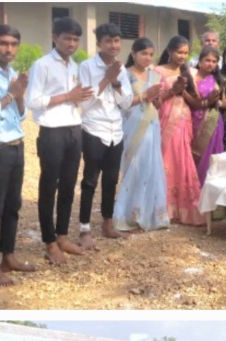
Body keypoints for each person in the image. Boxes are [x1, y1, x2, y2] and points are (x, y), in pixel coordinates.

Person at [26, 17, 94, 265]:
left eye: (76, 39)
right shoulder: (42, 65)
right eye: (67, 38)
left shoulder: (75, 67)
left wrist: (79, 97)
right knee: (49, 186)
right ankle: (50, 242)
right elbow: (33, 101)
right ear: (55, 37)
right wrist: (68, 95)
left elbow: (76, 98)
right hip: (52, 131)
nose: (72, 43)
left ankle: (62, 236)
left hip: (74, 129)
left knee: (68, 185)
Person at [78, 23, 133, 248]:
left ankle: (107, 224)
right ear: (99, 42)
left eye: (117, 40)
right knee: (90, 180)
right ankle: (84, 229)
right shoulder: (86, 67)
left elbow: (127, 103)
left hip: (116, 130)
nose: (114, 45)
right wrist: (105, 79)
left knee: (111, 179)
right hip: (94, 128)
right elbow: (85, 103)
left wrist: (116, 81)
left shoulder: (121, 69)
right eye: (108, 41)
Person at [0, 25, 35, 287]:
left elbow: (21, 115)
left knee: (12, 205)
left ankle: (8, 256)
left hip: (16, 146)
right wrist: (10, 95)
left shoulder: (12, 73)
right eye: (3, 43)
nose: (9, 49)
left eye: (14, 44)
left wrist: (19, 97)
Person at [113, 37, 168, 233]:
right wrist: (145, 95)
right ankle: (129, 215)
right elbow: (123, 102)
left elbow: (158, 104)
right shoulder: (125, 74)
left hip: (152, 124)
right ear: (133, 54)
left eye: (151, 54)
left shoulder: (154, 76)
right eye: (144, 53)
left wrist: (156, 96)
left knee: (152, 167)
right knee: (135, 167)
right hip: (133, 125)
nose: (148, 58)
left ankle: (151, 214)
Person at [155, 36, 203, 226]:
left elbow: (196, 101)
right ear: (169, 50)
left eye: (185, 53)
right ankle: (163, 207)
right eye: (179, 52)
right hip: (165, 119)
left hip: (184, 120)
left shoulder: (189, 72)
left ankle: (184, 207)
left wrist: (182, 91)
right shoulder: (158, 71)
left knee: (182, 158)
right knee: (166, 158)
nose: (182, 56)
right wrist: (173, 91)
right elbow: (154, 101)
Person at [191, 46, 226, 185]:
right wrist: (206, 101)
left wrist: (217, 102)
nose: (210, 64)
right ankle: (192, 187)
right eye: (207, 60)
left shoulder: (218, 79)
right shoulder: (191, 77)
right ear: (200, 61)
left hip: (213, 121)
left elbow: (225, 102)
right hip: (194, 119)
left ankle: (207, 186)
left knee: (210, 154)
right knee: (193, 154)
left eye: (214, 61)